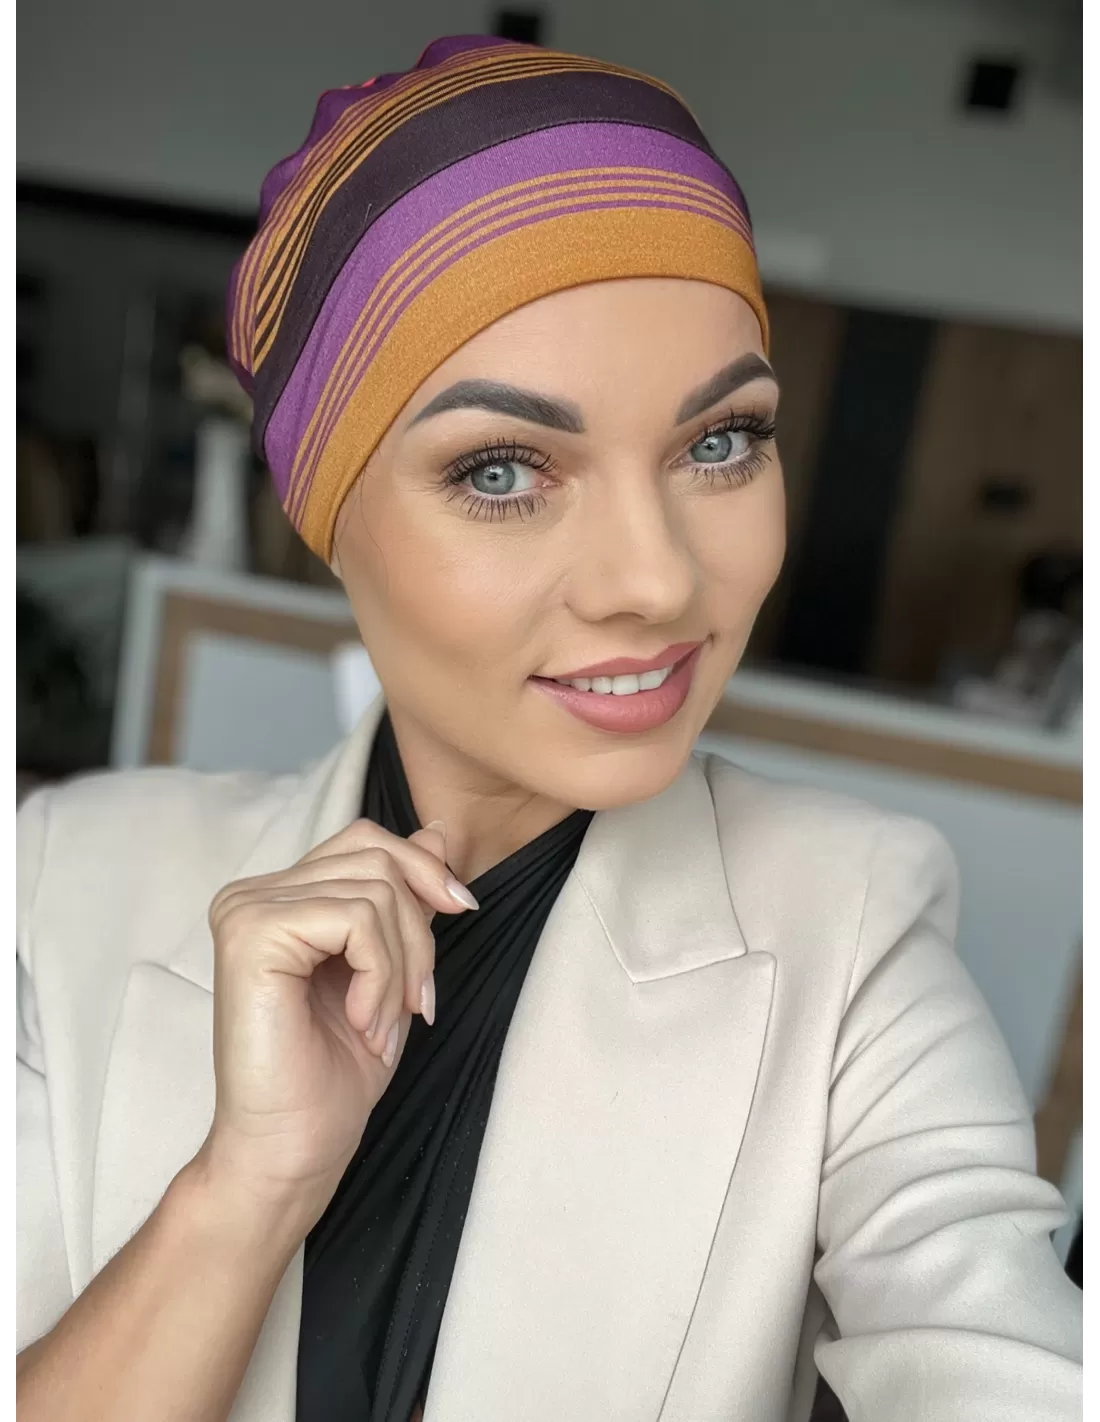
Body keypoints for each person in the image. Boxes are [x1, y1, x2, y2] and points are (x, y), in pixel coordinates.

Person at [16, 33, 1082, 1422]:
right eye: (503, 469)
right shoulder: (66, 879)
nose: (655, 581)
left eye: (720, 442)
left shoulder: (853, 931)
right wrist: (242, 1190)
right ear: (329, 515)